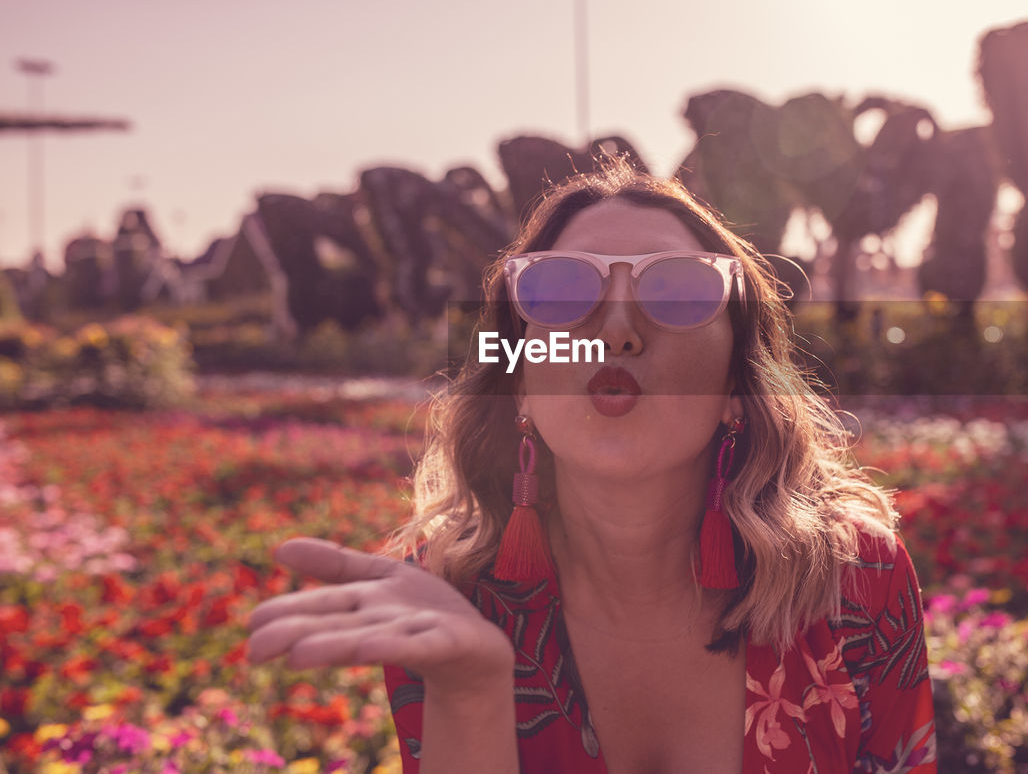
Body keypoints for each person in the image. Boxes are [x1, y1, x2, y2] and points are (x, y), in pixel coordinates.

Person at [247, 159, 936, 773]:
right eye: (561, 290)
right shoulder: (445, 600)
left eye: (677, 291)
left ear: (736, 379)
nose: (616, 328)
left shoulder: (855, 580)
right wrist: (467, 694)